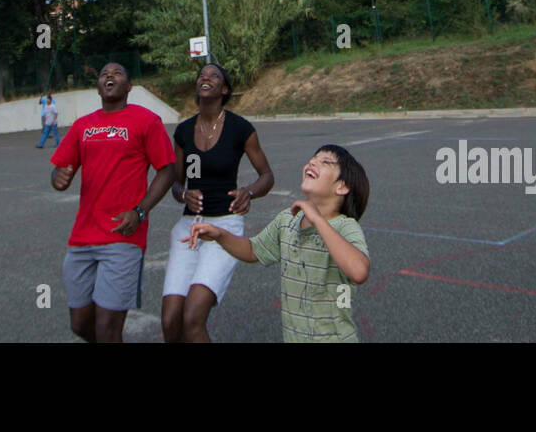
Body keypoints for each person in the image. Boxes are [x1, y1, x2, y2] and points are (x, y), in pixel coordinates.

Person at [187, 144, 370, 342]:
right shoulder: (287, 220)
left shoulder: (345, 227)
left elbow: (359, 271)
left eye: (325, 162)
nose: (313, 162)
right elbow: (253, 250)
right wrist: (220, 235)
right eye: (313, 158)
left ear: (341, 186)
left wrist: (318, 220)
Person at [50, 63, 177, 343]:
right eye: (104, 73)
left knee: (108, 328)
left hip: (123, 237)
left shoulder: (146, 120)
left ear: (129, 87)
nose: (109, 75)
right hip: (82, 238)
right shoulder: (83, 125)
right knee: (81, 325)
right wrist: (58, 177)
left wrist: (140, 211)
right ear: (98, 86)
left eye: (118, 72)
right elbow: (60, 168)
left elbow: (168, 169)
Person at [163, 62, 274, 342]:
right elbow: (176, 183)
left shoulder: (240, 129)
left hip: (225, 226)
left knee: (192, 317)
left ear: (224, 89)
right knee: (170, 320)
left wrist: (248, 192)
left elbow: (267, 175)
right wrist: (182, 193)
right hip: (189, 227)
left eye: (214, 75)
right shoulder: (184, 131)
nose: (205, 77)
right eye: (201, 74)